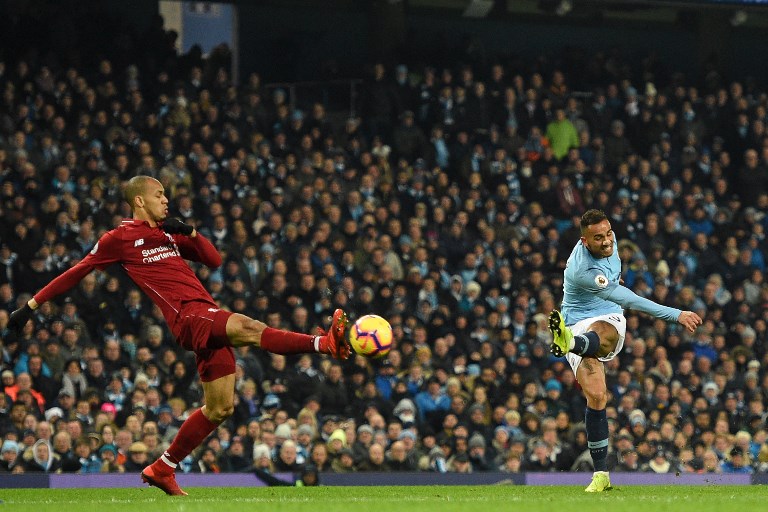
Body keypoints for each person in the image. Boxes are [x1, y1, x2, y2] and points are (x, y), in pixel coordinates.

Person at [7, 175, 350, 495]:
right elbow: (76, 272)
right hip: (188, 316)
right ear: (139, 200)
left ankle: (163, 467)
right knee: (248, 326)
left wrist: (191, 232)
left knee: (220, 408)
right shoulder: (119, 238)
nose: (166, 200)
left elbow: (213, 261)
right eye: (159, 195)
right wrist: (30, 307)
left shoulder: (169, 234)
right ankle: (323, 343)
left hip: (205, 313)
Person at [548, 209, 701, 492]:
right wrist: (675, 314)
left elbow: (616, 278)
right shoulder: (585, 272)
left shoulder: (610, 239)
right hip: (575, 321)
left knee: (603, 332)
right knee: (596, 395)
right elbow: (630, 300)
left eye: (608, 234)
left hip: (605, 317)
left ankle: (571, 343)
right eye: (598, 238)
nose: (607, 242)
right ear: (584, 241)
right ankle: (601, 474)